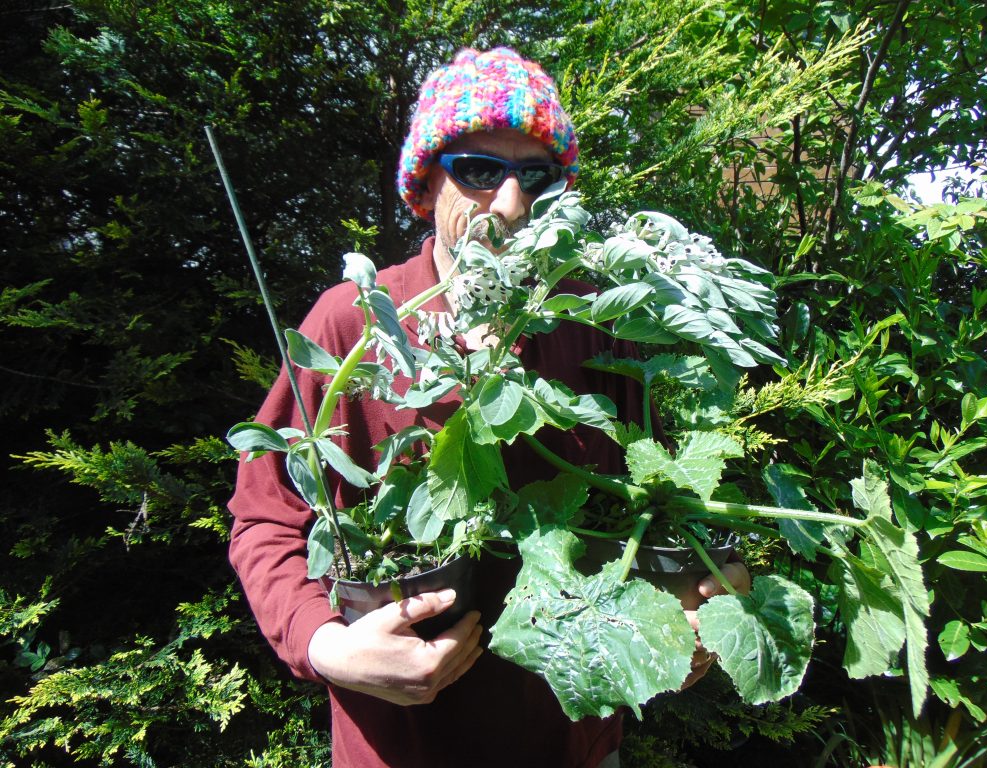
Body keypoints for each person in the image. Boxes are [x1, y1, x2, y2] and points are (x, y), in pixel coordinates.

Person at [228, 47, 750, 768]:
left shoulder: (593, 325)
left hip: (572, 744)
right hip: (399, 746)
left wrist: (704, 591)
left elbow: (661, 497)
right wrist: (327, 644)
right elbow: (264, 517)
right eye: (479, 171)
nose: (509, 204)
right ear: (425, 182)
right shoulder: (351, 328)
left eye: (535, 176)